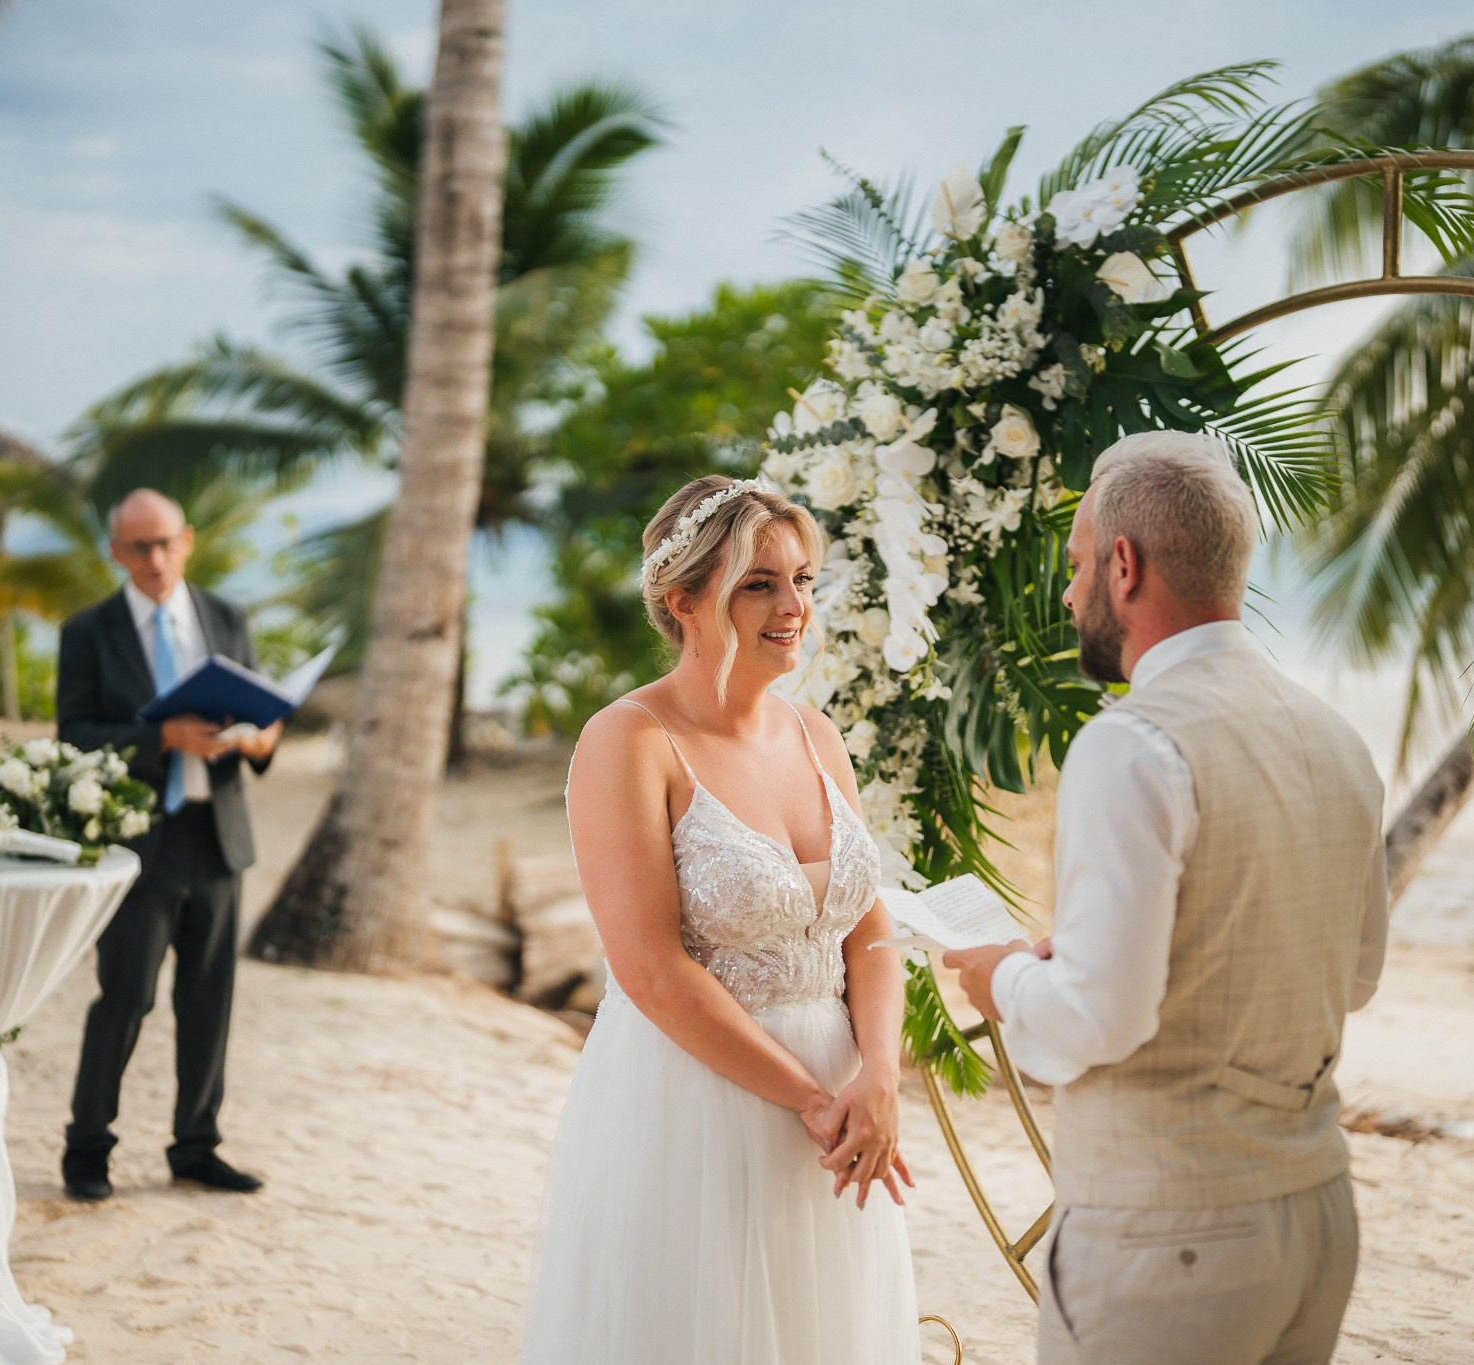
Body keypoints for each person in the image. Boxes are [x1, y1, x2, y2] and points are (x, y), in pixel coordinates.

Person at [943, 432, 1390, 1365]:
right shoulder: (1335, 737)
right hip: (1315, 1217)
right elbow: (1350, 976)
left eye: (1073, 568)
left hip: (1170, 1235)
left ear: (1123, 563)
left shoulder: (1131, 743)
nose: (1068, 597)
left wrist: (1002, 980)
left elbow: (1099, 1021)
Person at [518, 475, 919, 1365]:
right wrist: (811, 1099)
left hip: (845, 1104)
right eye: (759, 583)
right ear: (684, 601)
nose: (794, 607)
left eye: (804, 580)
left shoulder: (817, 734)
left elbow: (870, 927)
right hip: (697, 1102)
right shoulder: (628, 742)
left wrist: (880, 1077)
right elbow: (651, 970)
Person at [56, 488, 281, 1202]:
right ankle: (87, 1149)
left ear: (187, 540)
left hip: (219, 837)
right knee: (123, 997)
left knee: (209, 1001)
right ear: (115, 553)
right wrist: (162, 739)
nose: (155, 559)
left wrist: (265, 735)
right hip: (138, 840)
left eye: (165, 543)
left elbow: (257, 720)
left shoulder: (226, 616)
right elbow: (74, 736)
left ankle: (195, 1146)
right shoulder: (87, 631)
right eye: (138, 547)